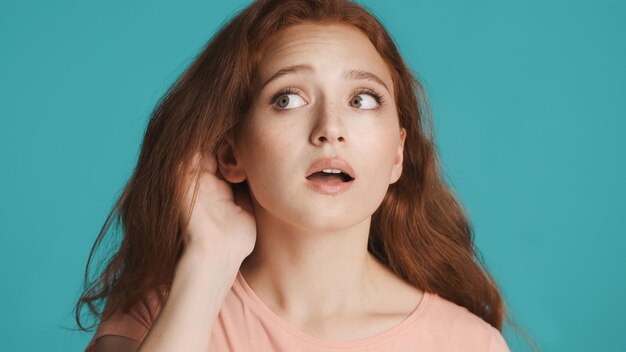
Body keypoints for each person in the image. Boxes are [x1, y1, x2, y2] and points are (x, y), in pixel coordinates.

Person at [75, 0, 514, 351]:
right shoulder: (154, 319)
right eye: (288, 98)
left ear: (398, 152)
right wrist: (209, 258)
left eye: (362, 99)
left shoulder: (469, 344)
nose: (330, 130)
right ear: (231, 153)